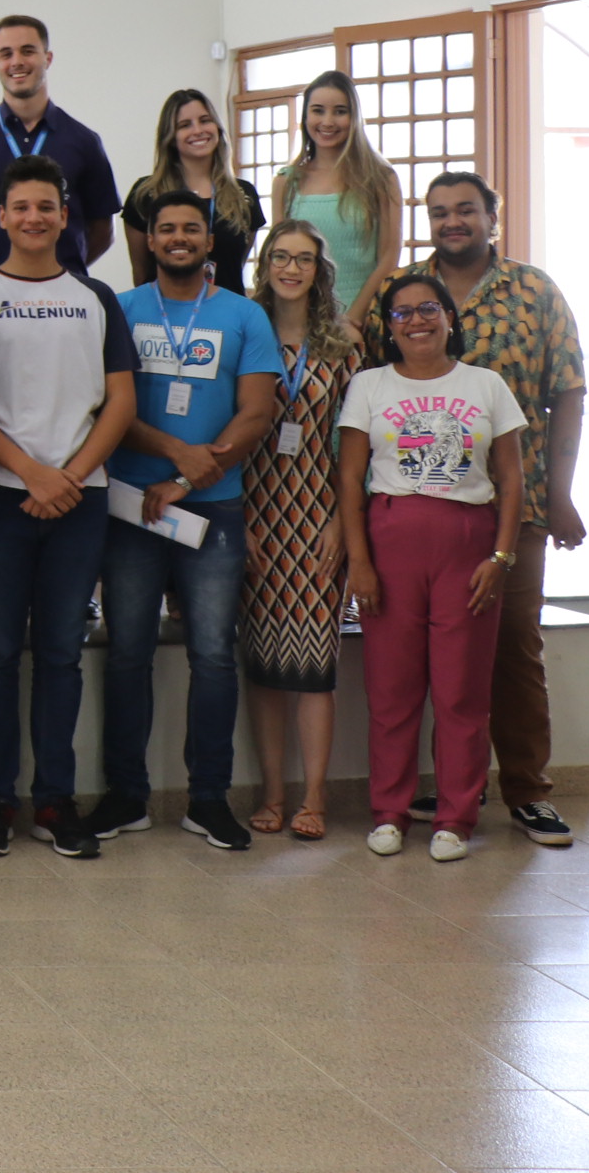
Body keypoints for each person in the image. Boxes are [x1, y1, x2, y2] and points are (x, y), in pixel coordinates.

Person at [360, 173, 587, 848]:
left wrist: (565, 491)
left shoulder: (535, 291)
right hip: (416, 513)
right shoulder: (402, 293)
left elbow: (567, 391)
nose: (452, 222)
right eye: (439, 213)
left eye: (465, 210)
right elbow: (374, 386)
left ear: (494, 214)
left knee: (512, 648)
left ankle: (527, 791)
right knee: (422, 663)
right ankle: (453, 790)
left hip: (515, 506)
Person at [0, 159, 136, 861]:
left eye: (46, 207)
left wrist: (72, 475)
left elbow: (120, 399)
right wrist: (30, 471)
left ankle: (55, 799)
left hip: (79, 502)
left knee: (61, 654)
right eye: (19, 207)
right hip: (0, 498)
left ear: (64, 216)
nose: (33, 218)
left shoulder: (96, 298)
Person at [89, 189, 281, 851]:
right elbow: (106, 405)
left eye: (190, 229)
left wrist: (187, 478)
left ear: (210, 240)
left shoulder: (243, 315)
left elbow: (256, 413)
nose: (177, 238)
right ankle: (126, 795)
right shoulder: (120, 309)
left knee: (212, 656)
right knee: (127, 655)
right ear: (146, 238)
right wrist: (172, 459)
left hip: (214, 509)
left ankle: (208, 799)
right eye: (165, 229)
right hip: (132, 506)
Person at [342, 273, 530, 861]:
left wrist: (502, 556)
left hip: (468, 542)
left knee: (461, 692)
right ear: (389, 327)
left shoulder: (487, 384)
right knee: (392, 690)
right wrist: (360, 562)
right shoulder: (369, 386)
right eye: (402, 313)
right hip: (391, 539)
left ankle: (455, 816)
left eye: (428, 309)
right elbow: (349, 478)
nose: (416, 320)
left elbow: (512, 477)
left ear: (449, 316)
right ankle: (391, 811)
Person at [238, 220, 358, 842]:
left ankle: (314, 797)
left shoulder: (344, 345)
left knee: (314, 665)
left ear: (319, 270)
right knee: (263, 665)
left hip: (318, 517)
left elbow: (357, 447)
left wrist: (343, 521)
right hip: (255, 513)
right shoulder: (243, 330)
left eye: (303, 259)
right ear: (264, 265)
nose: (290, 268)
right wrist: (241, 522)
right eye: (280, 257)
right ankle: (272, 793)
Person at [0, 15, 120, 280]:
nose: (16, 62)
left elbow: (104, 230)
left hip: (63, 303)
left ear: (47, 58)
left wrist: (68, 272)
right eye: (6, 53)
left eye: (27, 51)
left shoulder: (84, 141)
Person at [275, 69, 400, 326]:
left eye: (340, 111)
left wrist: (353, 318)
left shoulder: (381, 178)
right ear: (305, 116)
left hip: (364, 319)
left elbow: (389, 255)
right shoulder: (286, 181)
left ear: (354, 117)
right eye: (318, 110)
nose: (328, 121)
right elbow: (280, 260)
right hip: (300, 321)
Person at [124, 89, 265, 294]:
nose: (198, 130)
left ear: (217, 127)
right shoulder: (145, 195)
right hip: (164, 316)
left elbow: (235, 265)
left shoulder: (243, 196)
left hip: (227, 316)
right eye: (184, 125)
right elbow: (141, 274)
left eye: (205, 120)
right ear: (170, 137)